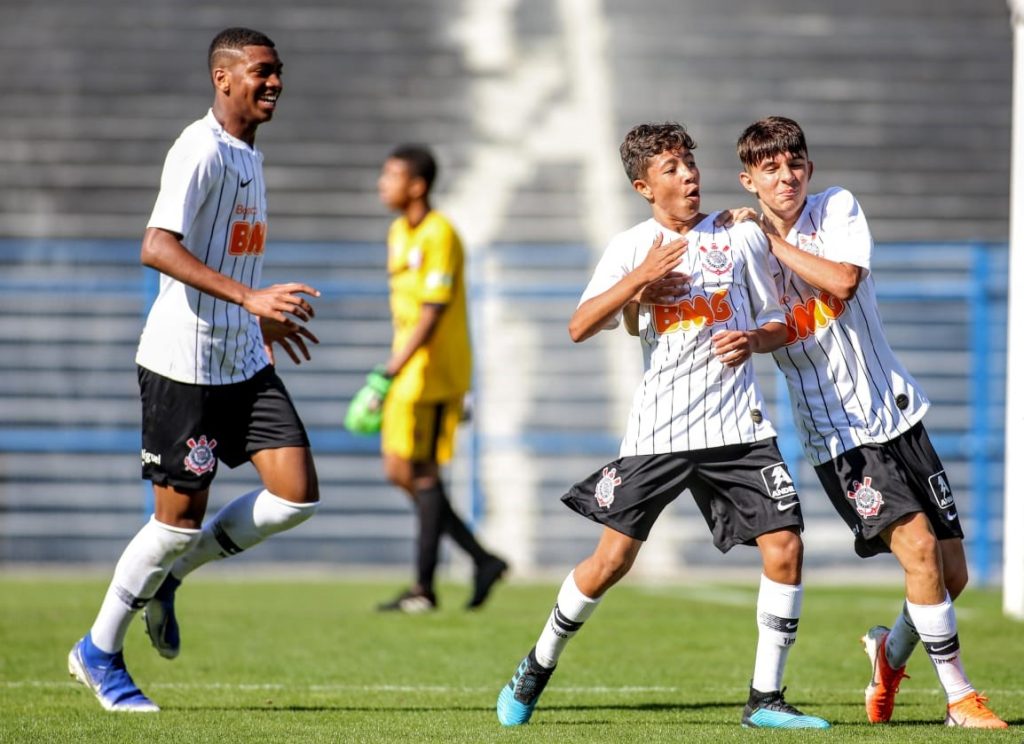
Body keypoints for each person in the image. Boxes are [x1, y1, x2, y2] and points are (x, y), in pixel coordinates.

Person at [495, 122, 830, 730]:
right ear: (644, 186)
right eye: (672, 168)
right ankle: (536, 665)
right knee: (612, 561)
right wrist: (639, 283)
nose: (689, 176)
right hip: (661, 432)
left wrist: (754, 338)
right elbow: (579, 326)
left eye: (690, 164)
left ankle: (765, 698)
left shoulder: (739, 236)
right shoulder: (631, 247)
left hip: (739, 428)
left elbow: (783, 318)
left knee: (785, 547)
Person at [67, 27, 322, 712]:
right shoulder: (199, 150)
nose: (273, 83)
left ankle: (171, 578)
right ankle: (98, 651)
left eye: (278, 72)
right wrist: (249, 297)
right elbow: (155, 246)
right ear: (223, 77)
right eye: (261, 72)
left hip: (241, 355)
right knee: (176, 520)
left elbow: (230, 257)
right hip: (185, 366)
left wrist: (257, 316)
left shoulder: (247, 154)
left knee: (295, 494)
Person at [736, 115, 1007, 729]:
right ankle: (961, 699)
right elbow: (777, 324)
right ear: (749, 179)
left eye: (795, 162)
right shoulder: (746, 252)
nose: (787, 176)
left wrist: (772, 239)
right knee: (917, 551)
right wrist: (755, 337)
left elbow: (844, 279)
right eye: (771, 168)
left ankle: (888, 656)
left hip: (899, 413)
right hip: (838, 435)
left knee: (950, 572)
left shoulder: (836, 209)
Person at [369, 144, 507, 613]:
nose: (381, 184)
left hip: (434, 374)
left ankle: (424, 590)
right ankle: (482, 560)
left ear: (417, 185)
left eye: (391, 176)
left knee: (423, 474)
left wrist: (389, 370)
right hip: (407, 371)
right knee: (400, 470)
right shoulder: (396, 233)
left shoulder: (440, 234)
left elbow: (432, 312)